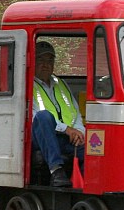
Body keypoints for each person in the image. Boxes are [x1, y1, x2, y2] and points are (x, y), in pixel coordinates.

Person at [31, 41, 86, 188]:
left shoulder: (61, 84)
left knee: (94, 150)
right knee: (43, 116)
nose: (45, 64)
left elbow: (75, 112)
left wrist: (79, 132)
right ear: (32, 61)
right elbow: (32, 117)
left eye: (50, 60)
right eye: (41, 60)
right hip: (41, 136)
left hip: (66, 138)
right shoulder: (27, 85)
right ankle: (56, 171)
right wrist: (67, 129)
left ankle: (88, 186)